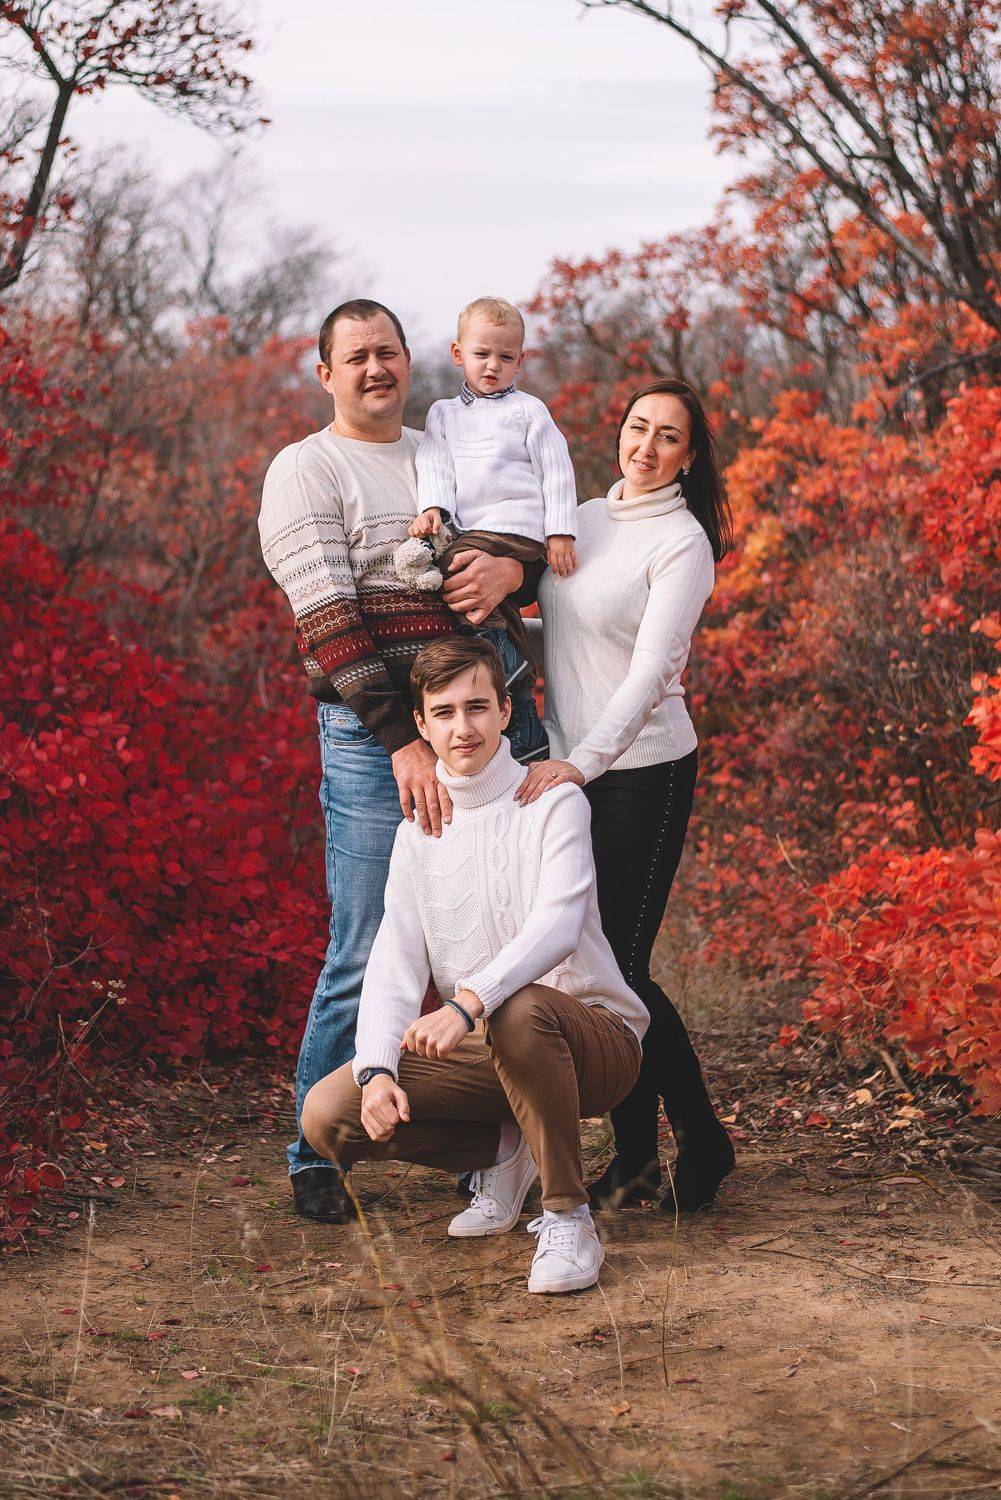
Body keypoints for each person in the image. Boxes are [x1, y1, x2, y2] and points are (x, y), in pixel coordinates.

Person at [258, 299, 525, 1225]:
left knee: (487, 936)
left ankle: (486, 1149)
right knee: (368, 940)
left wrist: (515, 571)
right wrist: (401, 742)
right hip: (377, 739)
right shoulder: (307, 468)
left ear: (412, 361)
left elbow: (510, 539)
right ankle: (316, 1153)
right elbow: (330, 622)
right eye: (356, 356)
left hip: (484, 723)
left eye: (388, 352)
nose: (375, 369)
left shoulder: (438, 448)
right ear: (324, 373)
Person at [300, 635, 648, 1294]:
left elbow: (558, 926)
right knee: (328, 1113)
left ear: (505, 711)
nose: (463, 727)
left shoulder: (552, 800)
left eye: (478, 707)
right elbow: (394, 961)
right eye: (445, 712)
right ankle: (505, 1151)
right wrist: (378, 1069)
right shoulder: (417, 831)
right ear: (422, 724)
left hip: (594, 1039)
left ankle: (568, 1218)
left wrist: (466, 1003)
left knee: (518, 1008)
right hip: (490, 1044)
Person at [515, 378, 736, 1215]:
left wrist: (585, 763)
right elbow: (568, 630)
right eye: (637, 427)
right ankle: (637, 1159)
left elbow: (648, 673)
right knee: (593, 967)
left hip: (644, 767)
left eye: (667, 436)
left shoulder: (681, 543)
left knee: (621, 966)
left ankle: (702, 1141)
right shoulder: (582, 517)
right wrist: (490, 627)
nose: (645, 447)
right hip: (572, 766)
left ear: (689, 455)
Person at [409, 296, 578, 762]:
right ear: (457, 353)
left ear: (520, 361)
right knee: (476, 592)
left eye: (505, 357)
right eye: (482, 354)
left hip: (515, 528)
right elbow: (435, 463)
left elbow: (556, 469)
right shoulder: (443, 414)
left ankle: (498, 661)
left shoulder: (528, 410)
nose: (492, 366)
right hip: (470, 528)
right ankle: (512, 672)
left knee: (458, 569)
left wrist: (560, 530)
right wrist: (433, 508)